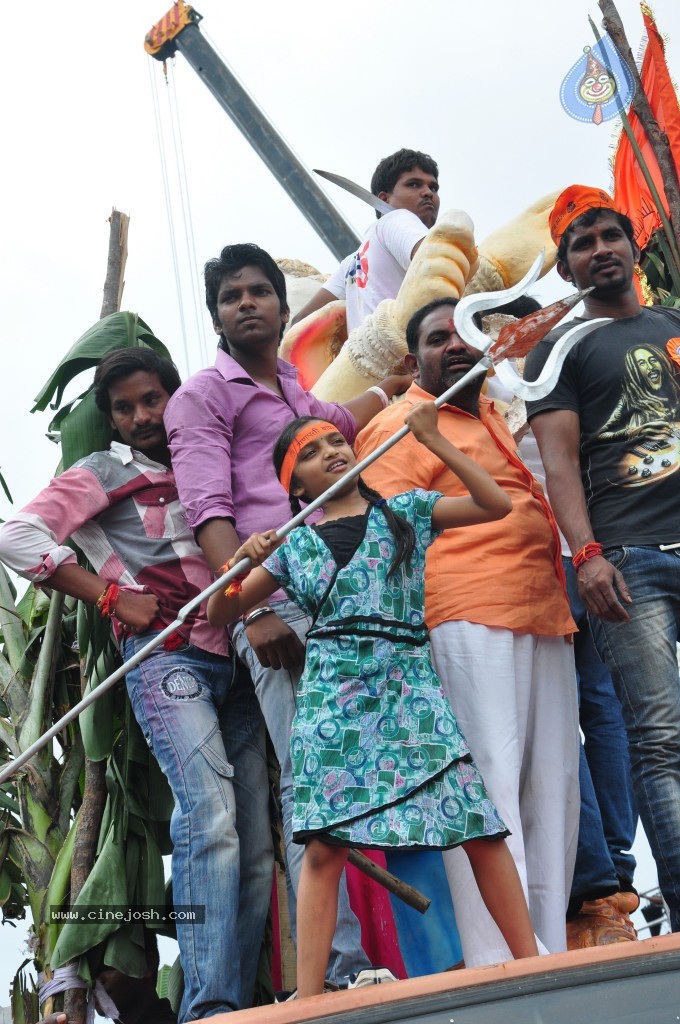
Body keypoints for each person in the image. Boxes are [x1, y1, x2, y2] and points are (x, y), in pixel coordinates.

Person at [207, 407, 540, 997]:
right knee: (325, 845)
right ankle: (309, 1002)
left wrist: (435, 440)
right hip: (333, 700)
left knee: (478, 826)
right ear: (296, 486)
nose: (330, 452)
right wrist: (242, 563)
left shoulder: (407, 511)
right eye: (309, 453)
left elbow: (495, 505)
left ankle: (534, 965)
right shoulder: (292, 545)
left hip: (410, 686)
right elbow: (220, 611)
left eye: (336, 441)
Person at [164, 243, 411, 988]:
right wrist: (249, 610)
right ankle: (338, 970)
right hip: (278, 605)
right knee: (311, 782)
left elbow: (350, 415)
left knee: (366, 772)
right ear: (217, 315)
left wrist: (407, 386)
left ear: (281, 305)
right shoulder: (203, 397)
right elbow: (209, 510)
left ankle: (367, 960)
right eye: (231, 295)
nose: (246, 303)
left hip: (351, 595)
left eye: (259, 292)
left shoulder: (301, 395)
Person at [0, 348, 273, 1021]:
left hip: (239, 655)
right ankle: (210, 1007)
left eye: (152, 399)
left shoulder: (203, 461)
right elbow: (17, 535)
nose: (142, 416)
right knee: (209, 818)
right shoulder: (103, 471)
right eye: (125, 408)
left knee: (256, 837)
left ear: (174, 398)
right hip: (167, 655)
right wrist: (110, 597)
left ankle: (240, 1002)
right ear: (112, 421)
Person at [354, 297, 580, 967]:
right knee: (488, 792)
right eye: (435, 338)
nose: (454, 346)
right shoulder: (400, 425)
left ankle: (551, 953)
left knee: (552, 795)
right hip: (463, 616)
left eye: (464, 334)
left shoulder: (488, 415)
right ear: (411, 358)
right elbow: (390, 537)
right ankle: (496, 960)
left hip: (541, 612)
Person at [525, 184, 680, 932]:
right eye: (581, 243)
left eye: (609, 234)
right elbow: (557, 464)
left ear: (632, 245)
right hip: (627, 558)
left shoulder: (675, 326)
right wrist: (585, 554)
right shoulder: (558, 349)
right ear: (567, 268)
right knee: (660, 737)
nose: (599, 250)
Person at [480, 297, 638, 942]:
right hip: (580, 552)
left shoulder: (500, 385)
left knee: (577, 711)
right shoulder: (562, 367)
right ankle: (610, 873)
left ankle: (600, 878)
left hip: (557, 558)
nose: (520, 338)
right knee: (597, 710)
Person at [291, 149, 440, 332]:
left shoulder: (352, 263)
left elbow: (300, 322)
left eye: (433, 188)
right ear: (384, 199)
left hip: (364, 358)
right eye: (414, 185)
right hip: (413, 354)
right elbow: (438, 262)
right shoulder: (398, 218)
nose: (428, 193)